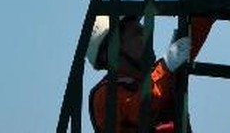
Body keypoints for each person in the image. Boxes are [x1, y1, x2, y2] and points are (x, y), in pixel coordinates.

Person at [85, 15, 215, 133]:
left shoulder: (159, 74)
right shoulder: (104, 95)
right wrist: (166, 66)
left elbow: (191, 39)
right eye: (138, 33)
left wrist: (207, 10)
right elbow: (142, 108)